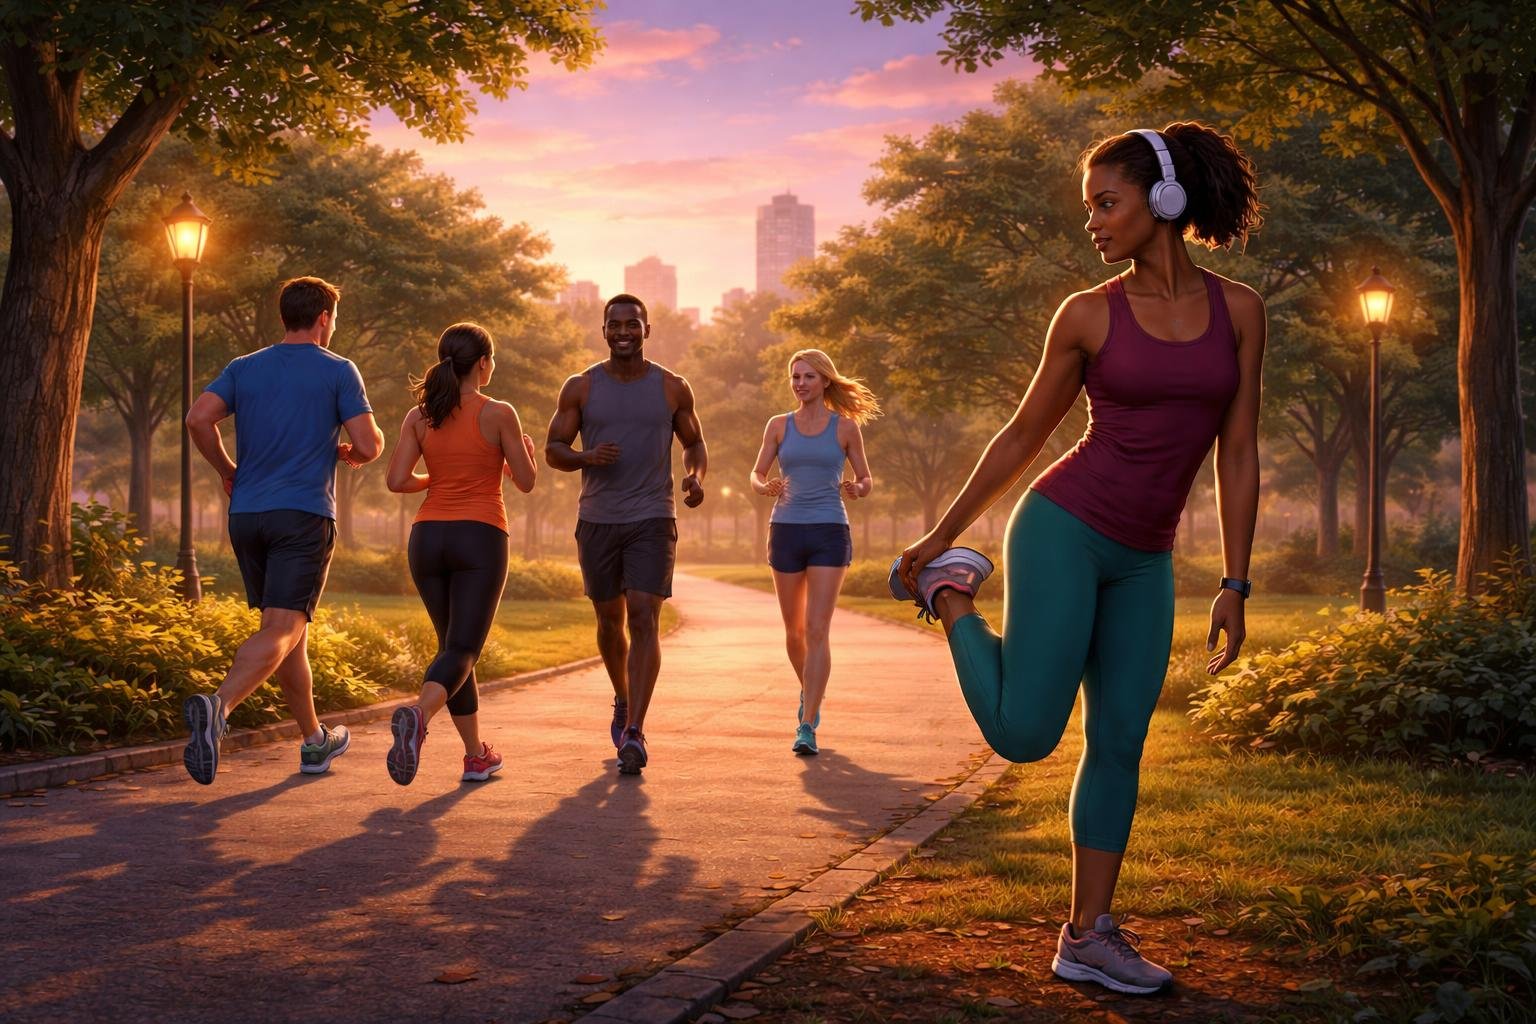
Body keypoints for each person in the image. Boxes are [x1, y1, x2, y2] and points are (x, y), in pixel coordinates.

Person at [892, 123, 1265, 995]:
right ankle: (954, 598)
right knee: (1025, 735)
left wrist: (1235, 582)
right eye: (1087, 207)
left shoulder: (1240, 311)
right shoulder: (1089, 312)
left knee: (1122, 741)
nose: (1093, 222)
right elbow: (1026, 432)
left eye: (1108, 203)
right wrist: (941, 535)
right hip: (1064, 524)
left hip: (1146, 556)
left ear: (1163, 201)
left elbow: (1237, 451)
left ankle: (1086, 935)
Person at [182, 276, 384, 785]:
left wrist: (228, 471)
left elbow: (198, 419)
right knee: (283, 627)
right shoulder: (339, 370)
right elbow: (370, 444)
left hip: (247, 515)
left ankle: (315, 742)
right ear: (323, 318)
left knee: (292, 634)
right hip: (303, 513)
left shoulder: (243, 367)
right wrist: (356, 449)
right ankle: (218, 708)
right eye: (333, 318)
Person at [545, 293, 707, 775]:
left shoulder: (672, 388)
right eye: (614, 324)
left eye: (632, 324)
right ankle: (622, 697)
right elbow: (554, 447)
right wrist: (583, 458)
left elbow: (695, 442)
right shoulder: (581, 387)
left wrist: (696, 477)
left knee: (643, 616)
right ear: (603, 331)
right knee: (609, 623)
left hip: (653, 517)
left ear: (647, 329)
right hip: (597, 518)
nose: (623, 331)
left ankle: (635, 729)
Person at [383, 322, 538, 786]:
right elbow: (526, 481)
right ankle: (419, 716)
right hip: (480, 536)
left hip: (427, 538)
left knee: (453, 649)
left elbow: (396, 481)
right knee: (464, 648)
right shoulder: (499, 412)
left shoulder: (420, 415)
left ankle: (476, 756)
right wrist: (517, 456)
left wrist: (440, 479)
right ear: (484, 363)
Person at [750, 349, 877, 756]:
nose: (800, 383)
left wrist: (859, 489)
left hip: (828, 530)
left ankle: (807, 725)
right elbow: (756, 473)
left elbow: (865, 476)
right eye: (795, 377)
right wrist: (762, 485)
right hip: (785, 529)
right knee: (794, 632)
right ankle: (811, 693)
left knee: (818, 628)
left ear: (824, 381)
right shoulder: (777, 426)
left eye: (808, 376)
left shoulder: (845, 428)